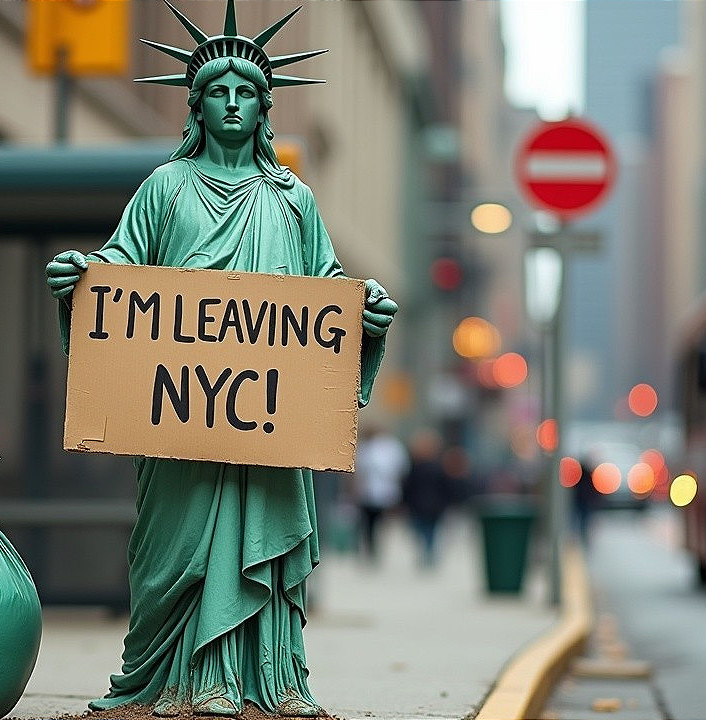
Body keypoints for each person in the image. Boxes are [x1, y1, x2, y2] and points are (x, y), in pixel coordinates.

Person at [44, 3, 397, 715]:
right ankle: (170, 677)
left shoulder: (294, 200)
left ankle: (270, 678)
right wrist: (79, 280)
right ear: (195, 107)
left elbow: (324, 288)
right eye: (217, 92)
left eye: (245, 94)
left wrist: (367, 315)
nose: (231, 104)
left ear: (264, 110)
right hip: (177, 423)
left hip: (267, 424)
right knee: (171, 552)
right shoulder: (163, 189)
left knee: (260, 529)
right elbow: (117, 276)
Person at [352, 425, 408, 562]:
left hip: (383, 493)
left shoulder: (390, 447)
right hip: (370, 493)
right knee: (370, 523)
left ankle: (374, 546)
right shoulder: (366, 448)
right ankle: (372, 547)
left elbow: (400, 468)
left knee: (377, 523)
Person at [402, 431, 451, 567]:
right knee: (430, 530)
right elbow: (446, 487)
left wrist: (404, 502)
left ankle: (427, 551)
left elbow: (408, 487)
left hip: (419, 504)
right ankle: (429, 551)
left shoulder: (416, 467)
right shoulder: (438, 467)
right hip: (434, 505)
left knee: (422, 529)